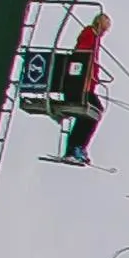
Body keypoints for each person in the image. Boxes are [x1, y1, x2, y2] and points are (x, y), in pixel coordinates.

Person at [52, 9, 109, 166]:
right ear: (99, 25)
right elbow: (81, 55)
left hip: (86, 86)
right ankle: (75, 148)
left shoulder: (94, 38)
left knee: (90, 114)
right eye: (104, 29)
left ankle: (76, 148)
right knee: (94, 111)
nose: (104, 33)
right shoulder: (89, 34)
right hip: (80, 86)